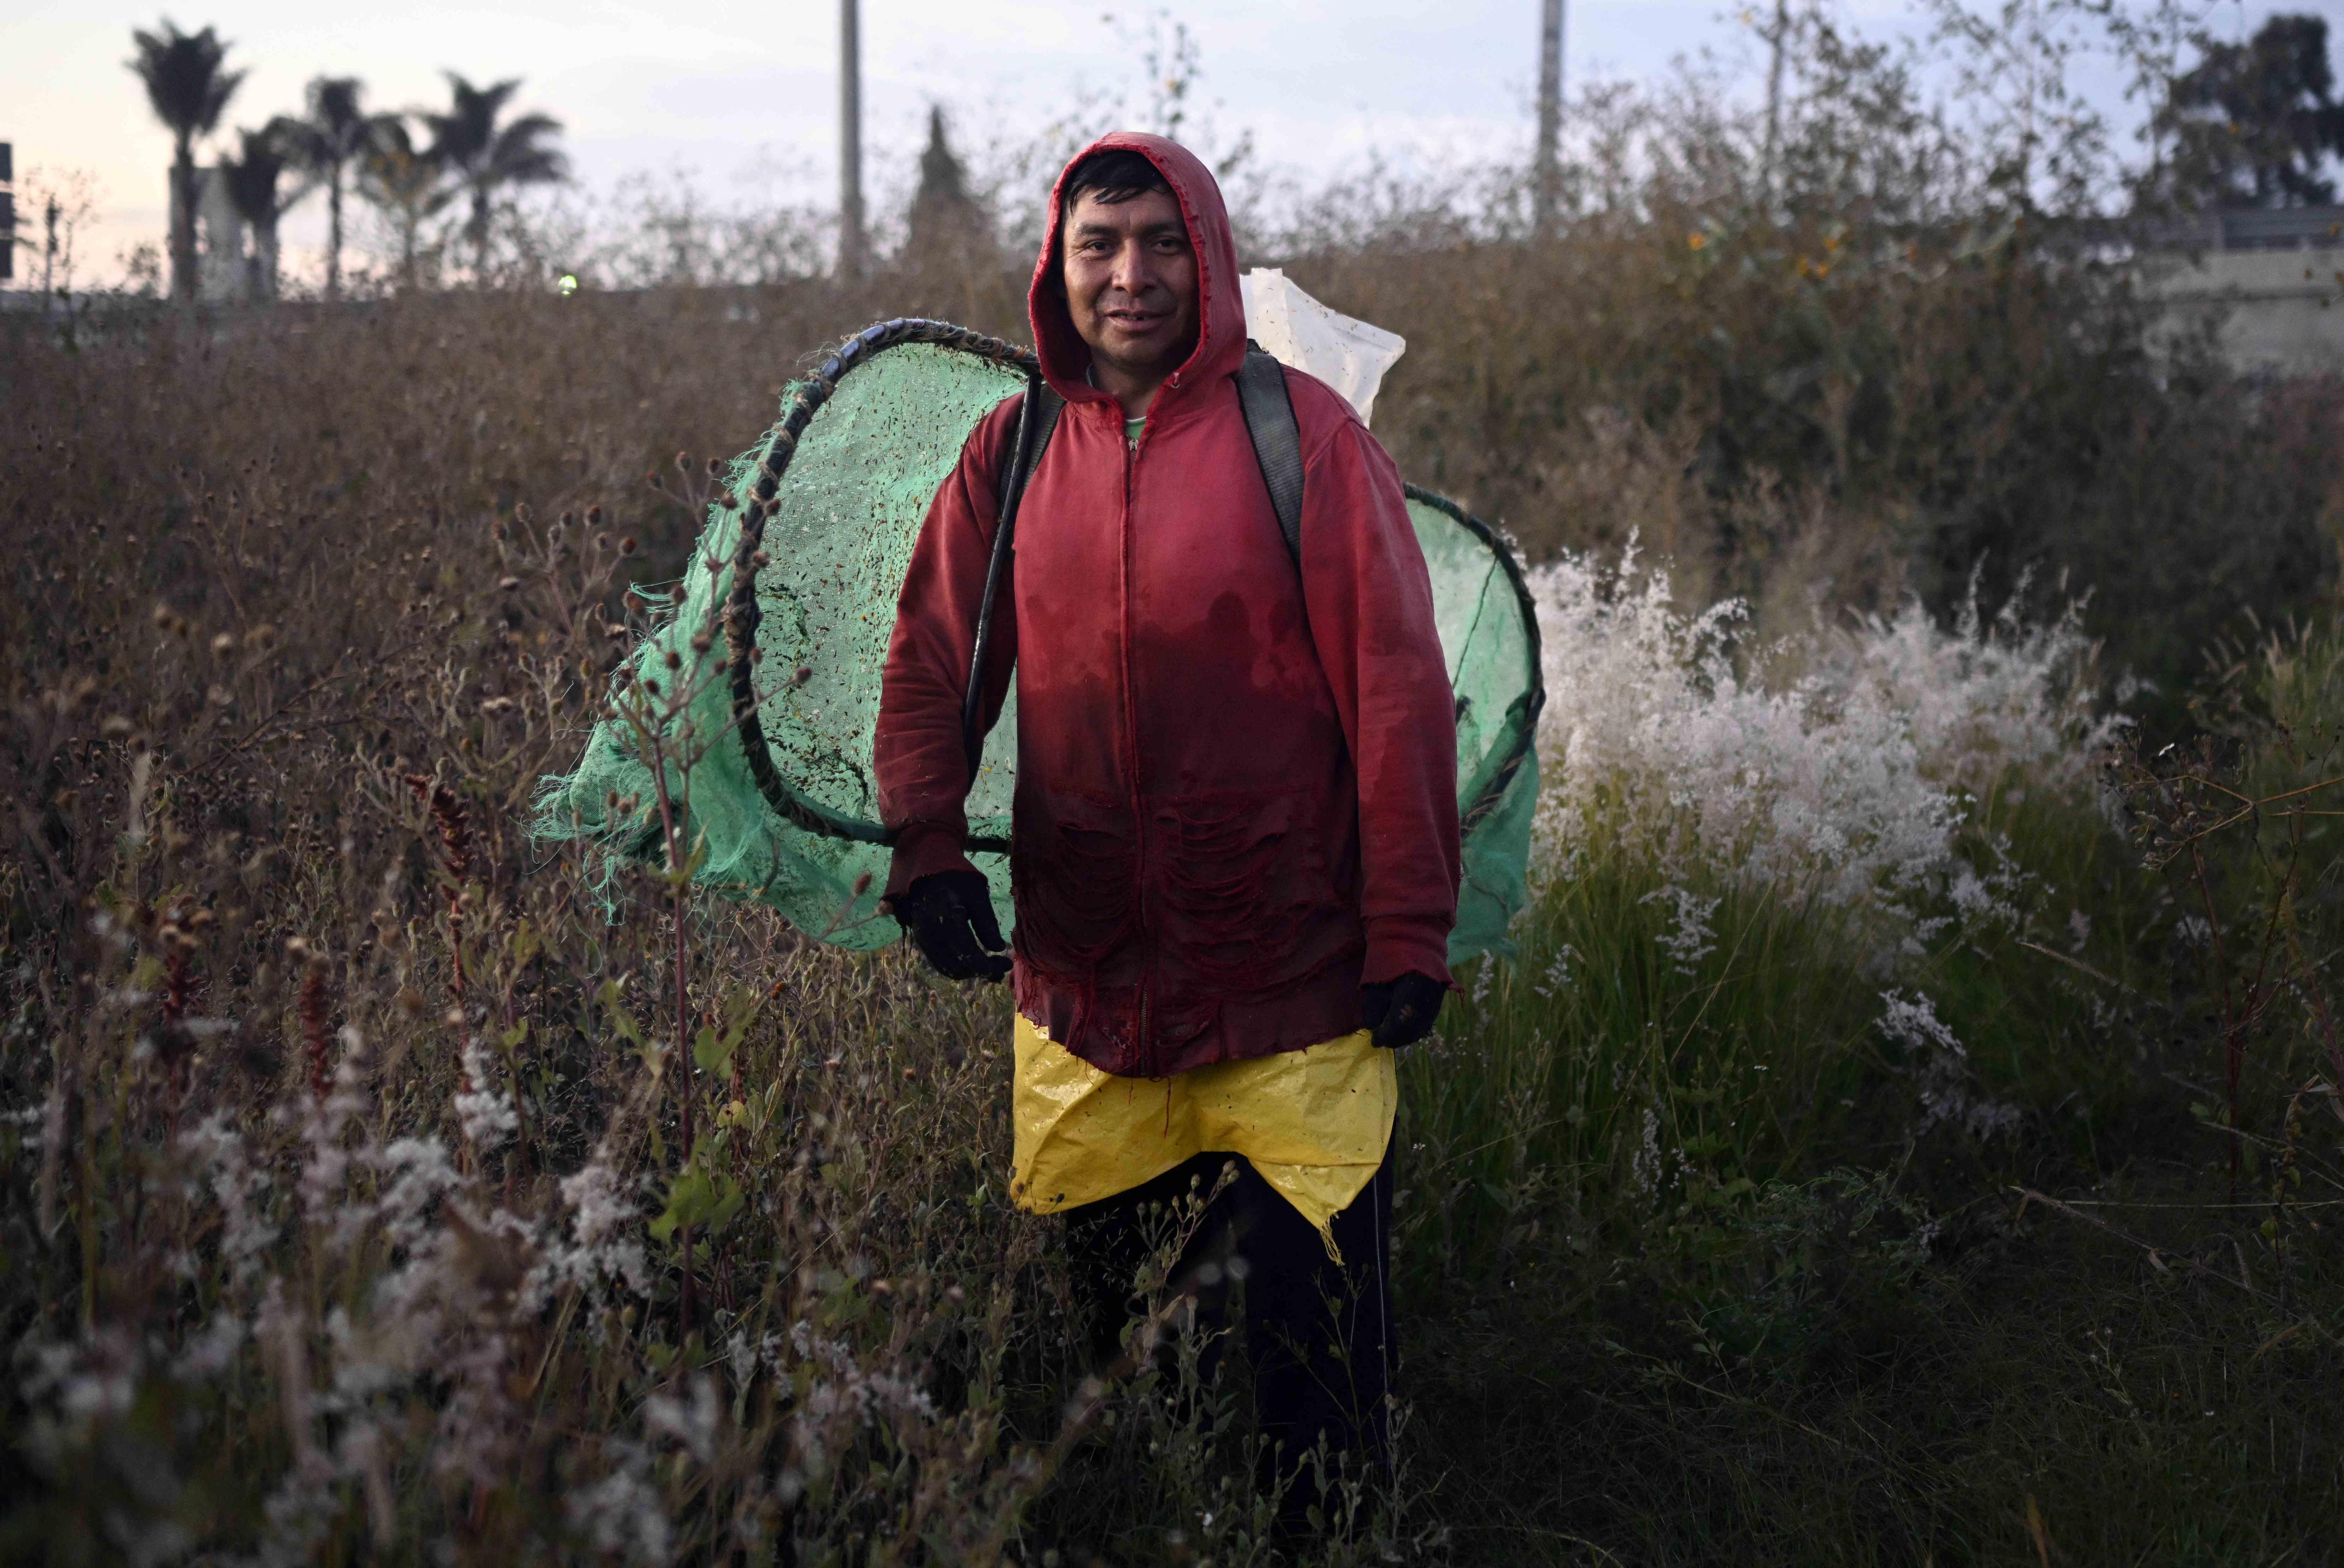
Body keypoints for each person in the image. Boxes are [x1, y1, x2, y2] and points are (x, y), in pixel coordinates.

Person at [874, 131, 1460, 1510]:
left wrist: (1407, 926)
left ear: (1207, 254)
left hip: (1294, 992)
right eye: (1100, 246)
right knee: (1145, 1388)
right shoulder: (1011, 451)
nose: (1131, 276)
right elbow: (930, 658)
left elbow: (1396, 686)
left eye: (1160, 243)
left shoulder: (1301, 435)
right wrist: (927, 846)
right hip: (1087, 996)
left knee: (1312, 1401)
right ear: (1056, 266)